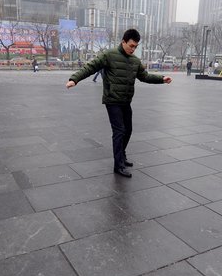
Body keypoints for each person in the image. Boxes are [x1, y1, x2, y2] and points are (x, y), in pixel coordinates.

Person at [66, 29, 172, 178]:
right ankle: (118, 165)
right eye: (131, 45)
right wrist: (74, 79)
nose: (133, 49)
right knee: (119, 131)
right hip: (112, 100)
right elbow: (91, 67)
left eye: (135, 46)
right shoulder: (109, 55)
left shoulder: (135, 61)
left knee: (128, 130)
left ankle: (122, 155)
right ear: (123, 42)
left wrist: (162, 79)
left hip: (126, 101)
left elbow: (145, 76)